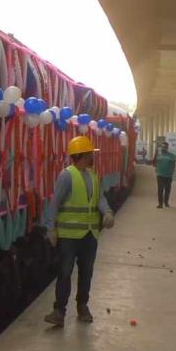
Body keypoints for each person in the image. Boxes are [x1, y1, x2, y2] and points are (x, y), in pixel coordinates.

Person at [43, 136, 115, 327]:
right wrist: (50, 228)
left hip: (90, 235)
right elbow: (55, 202)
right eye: (91, 153)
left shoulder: (93, 175)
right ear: (83, 155)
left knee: (87, 273)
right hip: (69, 236)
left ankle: (82, 306)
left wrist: (107, 212)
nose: (93, 156)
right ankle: (59, 310)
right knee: (65, 272)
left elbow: (99, 198)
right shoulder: (67, 176)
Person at [155, 142, 176, 208]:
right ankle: (160, 204)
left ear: (167, 148)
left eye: (164, 147)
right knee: (160, 190)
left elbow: (174, 164)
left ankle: (166, 202)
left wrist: (172, 172)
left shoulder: (172, 155)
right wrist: (157, 169)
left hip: (168, 175)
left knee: (167, 189)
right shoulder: (158, 155)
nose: (163, 148)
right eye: (162, 147)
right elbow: (156, 163)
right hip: (160, 175)